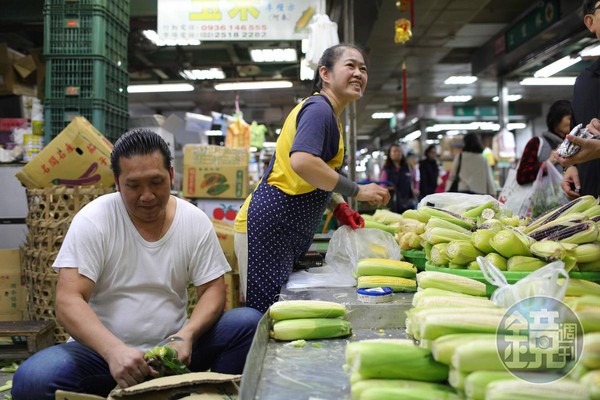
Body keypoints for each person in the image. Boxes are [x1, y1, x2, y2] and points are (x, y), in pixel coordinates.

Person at [12, 129, 262, 399]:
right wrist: (113, 351)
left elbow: (213, 289)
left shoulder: (193, 220)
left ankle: (210, 394)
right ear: (117, 183)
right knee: (32, 379)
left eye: (156, 181)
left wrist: (186, 335)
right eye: (134, 186)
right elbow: (68, 300)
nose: (147, 196)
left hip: (174, 354)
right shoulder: (94, 220)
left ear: (171, 174)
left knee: (248, 323)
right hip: (102, 356)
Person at [234, 43, 390, 314]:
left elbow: (318, 172)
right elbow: (303, 162)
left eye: (363, 69)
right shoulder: (319, 110)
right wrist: (357, 191)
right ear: (326, 74)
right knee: (263, 316)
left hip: (282, 228)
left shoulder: (329, 114)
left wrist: (338, 205)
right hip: (268, 226)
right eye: (350, 66)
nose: (358, 73)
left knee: (277, 311)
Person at [558, 0, 600, 198]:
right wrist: (572, 166)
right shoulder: (585, 82)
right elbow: (579, 134)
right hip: (592, 207)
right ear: (590, 22)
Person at [516, 99, 572, 184]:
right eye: (570, 118)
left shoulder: (574, 144)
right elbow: (521, 177)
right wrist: (549, 163)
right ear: (556, 120)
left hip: (571, 197)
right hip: (542, 196)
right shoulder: (537, 143)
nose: (572, 123)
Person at [380, 144, 417, 212]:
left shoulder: (409, 168)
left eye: (399, 151)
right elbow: (382, 187)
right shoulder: (386, 171)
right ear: (390, 154)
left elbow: (415, 181)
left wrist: (416, 189)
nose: (397, 153)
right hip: (393, 205)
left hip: (408, 203)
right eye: (394, 151)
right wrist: (389, 189)